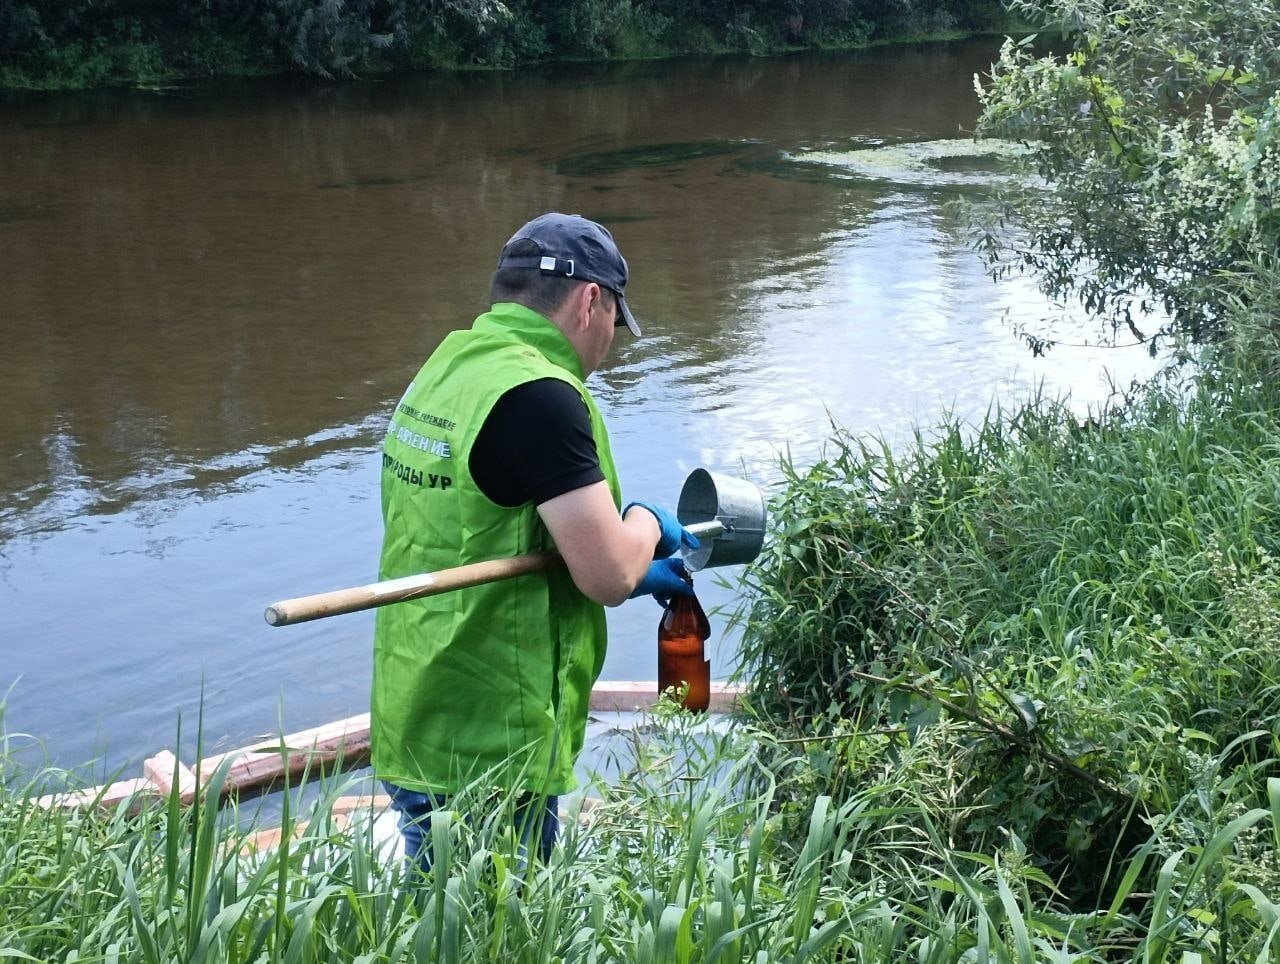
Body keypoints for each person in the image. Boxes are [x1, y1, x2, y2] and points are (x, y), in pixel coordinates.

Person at [370, 212, 696, 876]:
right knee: (502, 932)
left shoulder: (450, 367)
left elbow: (484, 514)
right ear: (590, 301)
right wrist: (646, 525)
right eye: (613, 323)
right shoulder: (541, 398)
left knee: (443, 920)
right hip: (494, 738)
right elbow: (605, 575)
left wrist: (633, 566)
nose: (609, 343)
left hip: (418, 702)